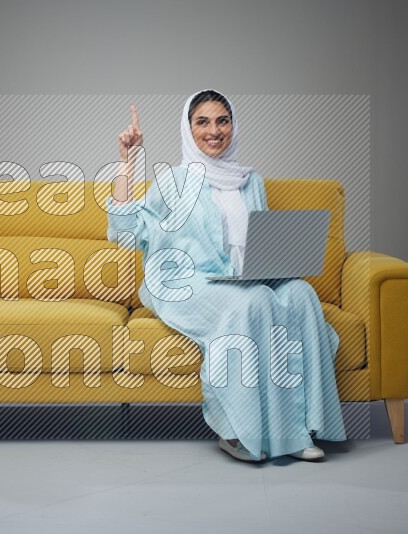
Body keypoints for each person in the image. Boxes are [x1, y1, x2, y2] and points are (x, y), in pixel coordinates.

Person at [106, 89, 348, 462]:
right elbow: (125, 232)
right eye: (202, 122)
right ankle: (237, 433)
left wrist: (276, 263)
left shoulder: (251, 181)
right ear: (188, 129)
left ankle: (298, 430)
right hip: (184, 283)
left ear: (234, 126)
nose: (214, 131)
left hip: (239, 279)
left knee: (301, 294)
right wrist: (127, 162)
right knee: (253, 302)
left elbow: (256, 244)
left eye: (223, 121)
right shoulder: (173, 181)